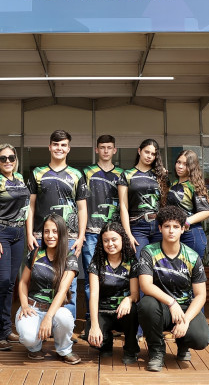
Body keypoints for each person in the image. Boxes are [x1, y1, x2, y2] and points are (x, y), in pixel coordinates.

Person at [136, 205, 209, 372]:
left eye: (176, 227)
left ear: (183, 229)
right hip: (161, 307)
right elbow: (145, 285)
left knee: (201, 339)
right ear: (160, 228)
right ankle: (156, 351)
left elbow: (200, 295)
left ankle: (183, 345)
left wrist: (186, 321)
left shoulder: (192, 256)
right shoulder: (149, 252)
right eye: (167, 226)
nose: (171, 231)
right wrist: (171, 302)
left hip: (184, 308)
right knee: (146, 305)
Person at [26, 129, 87, 320]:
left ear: (68, 148)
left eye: (63, 145)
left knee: (70, 283)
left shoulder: (77, 174)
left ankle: (65, 327)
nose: (59, 148)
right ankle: (37, 321)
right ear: (49, 147)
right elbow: (31, 205)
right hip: (41, 236)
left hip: (69, 238)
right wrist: (29, 234)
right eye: (56, 144)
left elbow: (82, 208)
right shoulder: (37, 173)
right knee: (38, 279)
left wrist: (81, 236)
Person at [16, 213, 81, 365]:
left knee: (65, 318)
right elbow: (23, 282)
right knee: (28, 337)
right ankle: (35, 347)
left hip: (55, 309)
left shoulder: (69, 258)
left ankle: (64, 349)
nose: (50, 235)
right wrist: (24, 305)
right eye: (46, 231)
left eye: (55, 231)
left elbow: (62, 291)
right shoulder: (35, 254)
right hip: (32, 307)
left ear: (62, 233)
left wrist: (48, 317)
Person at [0, 143, 29, 351]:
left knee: (10, 283)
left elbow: (26, 209)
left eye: (11, 157)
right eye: (3, 158)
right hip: (1, 232)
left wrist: (27, 235)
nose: (8, 161)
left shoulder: (20, 179)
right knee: (2, 283)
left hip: (19, 234)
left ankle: (5, 327)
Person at [81, 134, 123, 333]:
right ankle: (92, 322)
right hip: (91, 231)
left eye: (109, 147)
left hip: (114, 234)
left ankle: (115, 321)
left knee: (116, 278)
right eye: (102, 147)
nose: (106, 151)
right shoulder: (87, 172)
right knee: (93, 280)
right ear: (96, 150)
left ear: (115, 150)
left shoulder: (122, 174)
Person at [87, 221, 140, 364]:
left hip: (123, 312)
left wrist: (128, 299)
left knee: (134, 310)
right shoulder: (96, 263)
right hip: (103, 311)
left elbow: (135, 294)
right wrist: (94, 326)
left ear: (122, 239)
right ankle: (106, 344)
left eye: (114, 239)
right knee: (90, 336)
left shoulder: (131, 261)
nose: (110, 244)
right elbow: (93, 295)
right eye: (106, 240)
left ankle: (131, 348)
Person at [118, 138, 167, 254]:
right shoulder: (127, 175)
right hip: (137, 226)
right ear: (139, 151)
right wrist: (128, 234)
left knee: (158, 264)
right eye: (147, 152)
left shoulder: (160, 175)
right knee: (140, 264)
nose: (149, 156)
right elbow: (124, 207)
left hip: (159, 225)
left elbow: (165, 203)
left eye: (153, 154)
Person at [164, 150, 209, 260]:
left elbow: (207, 211)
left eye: (185, 164)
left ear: (192, 167)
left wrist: (187, 221)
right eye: (178, 162)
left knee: (192, 274)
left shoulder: (193, 186)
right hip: (174, 235)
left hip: (191, 235)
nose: (180, 166)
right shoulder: (173, 185)